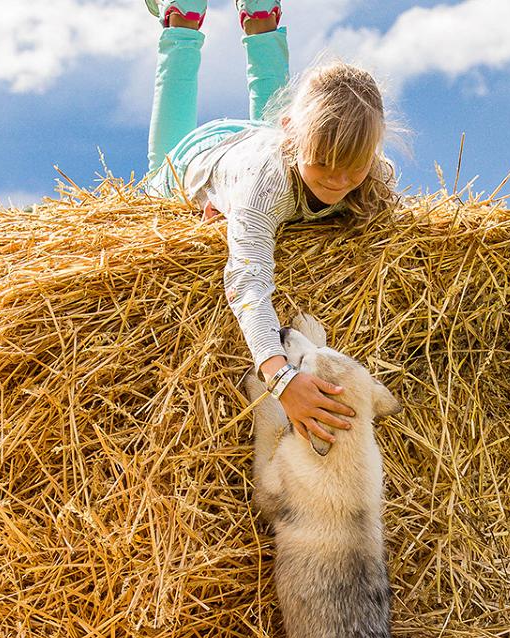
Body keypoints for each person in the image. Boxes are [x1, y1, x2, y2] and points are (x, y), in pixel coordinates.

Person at [141, 0, 401, 446]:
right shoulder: (266, 188)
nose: (339, 181)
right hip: (201, 158)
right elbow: (247, 282)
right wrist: (280, 378)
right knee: (153, 175)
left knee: (287, 148)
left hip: (260, 143)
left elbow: (370, 197)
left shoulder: (363, 169)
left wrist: (342, 173)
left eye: (353, 169)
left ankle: (262, 17)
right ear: (293, 136)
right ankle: (180, 20)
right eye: (324, 165)